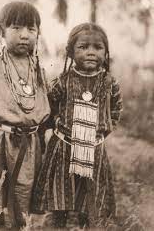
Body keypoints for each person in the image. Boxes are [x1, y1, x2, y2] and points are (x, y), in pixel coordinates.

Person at [0, 1, 50, 229]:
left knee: (25, 187)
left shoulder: (38, 67)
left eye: (31, 29)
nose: (24, 35)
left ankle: (20, 225)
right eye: (16, 28)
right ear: (1, 32)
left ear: (37, 33)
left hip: (30, 143)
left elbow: (44, 104)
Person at [33, 23, 123, 229]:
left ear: (106, 52)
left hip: (94, 150)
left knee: (90, 203)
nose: (91, 52)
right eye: (83, 47)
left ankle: (85, 225)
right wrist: (52, 130)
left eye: (97, 47)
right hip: (64, 148)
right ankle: (56, 224)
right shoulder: (63, 81)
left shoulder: (109, 83)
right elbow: (49, 107)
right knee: (59, 198)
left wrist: (101, 132)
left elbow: (115, 111)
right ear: (71, 52)